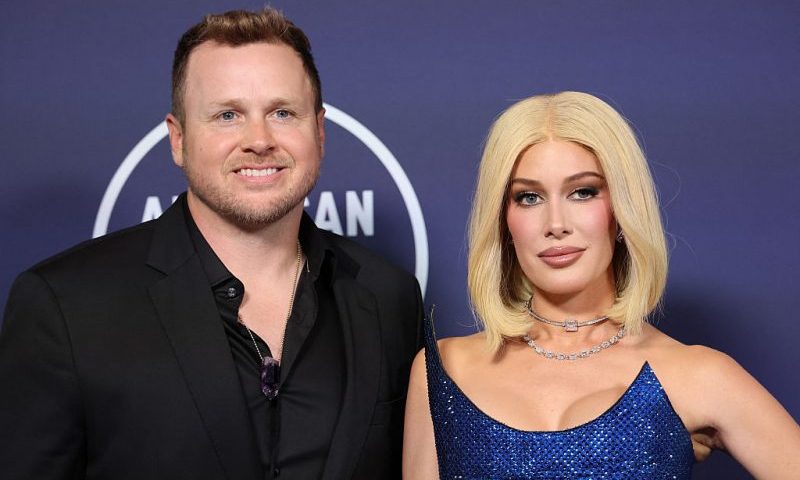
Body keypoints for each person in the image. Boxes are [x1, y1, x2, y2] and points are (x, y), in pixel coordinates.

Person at [0, 8, 422, 480]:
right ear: (178, 139)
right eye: (227, 115)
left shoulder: (388, 297)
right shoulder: (66, 305)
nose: (259, 140)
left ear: (319, 133)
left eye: (283, 113)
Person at [403, 91, 800, 479]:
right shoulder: (443, 372)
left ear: (622, 211)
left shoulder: (696, 375)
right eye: (529, 197)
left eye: (583, 192)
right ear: (503, 221)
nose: (555, 223)